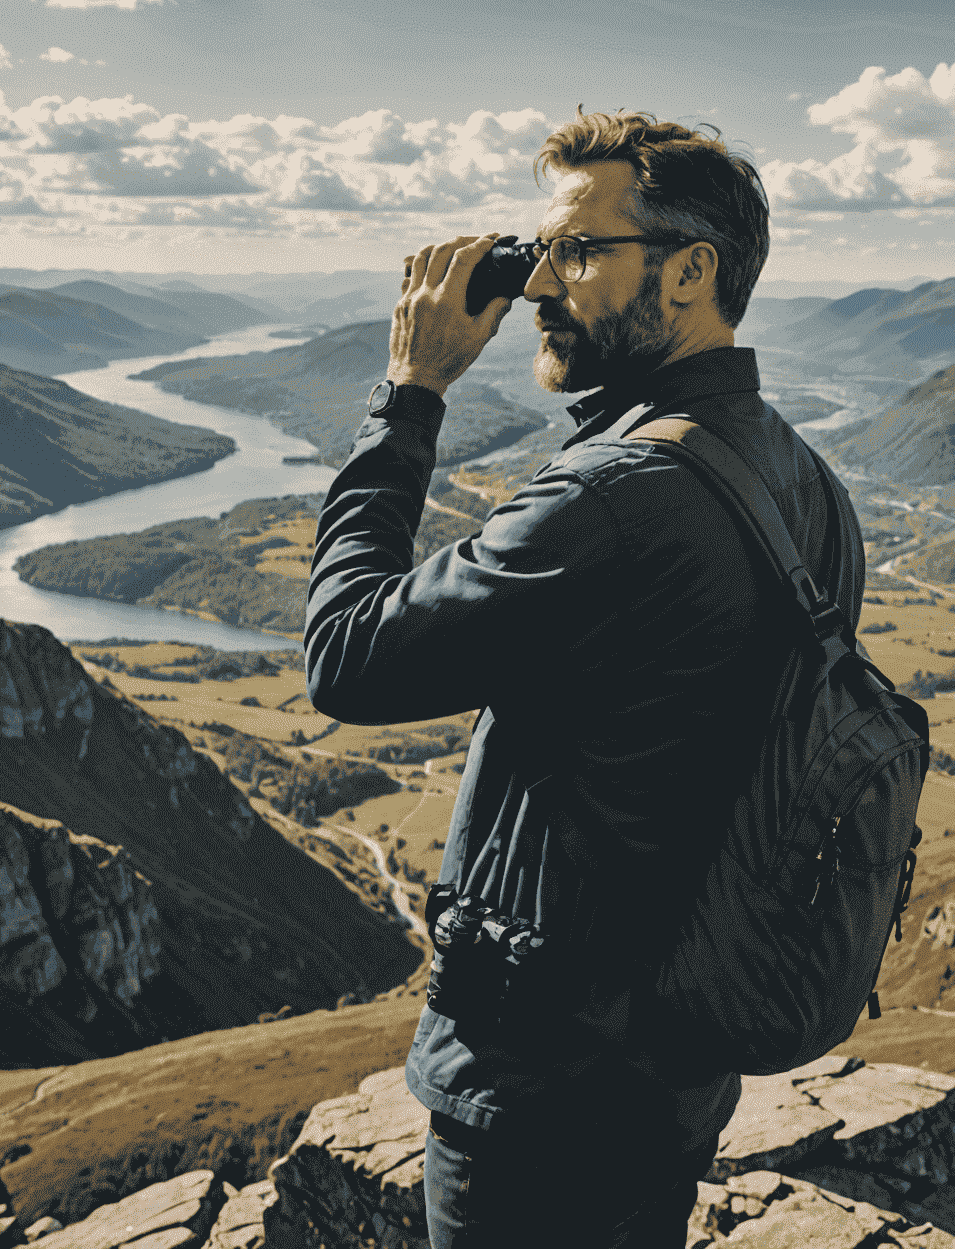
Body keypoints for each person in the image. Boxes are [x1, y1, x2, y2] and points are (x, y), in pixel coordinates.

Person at [305, 111, 866, 1248]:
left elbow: (346, 656)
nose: (538, 288)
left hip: (541, 1086)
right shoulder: (802, 479)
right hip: (675, 1057)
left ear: (693, 269)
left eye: (577, 251)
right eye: (537, 251)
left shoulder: (614, 496)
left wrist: (411, 389)